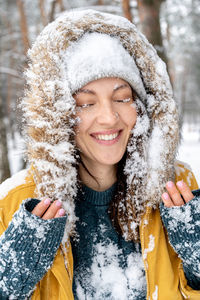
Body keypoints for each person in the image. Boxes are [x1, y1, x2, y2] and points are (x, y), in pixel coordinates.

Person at [0, 9, 199, 300]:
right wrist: (8, 283)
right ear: (58, 117)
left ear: (141, 107)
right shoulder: (18, 202)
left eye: (122, 98)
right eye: (85, 103)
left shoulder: (178, 189)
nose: (108, 117)